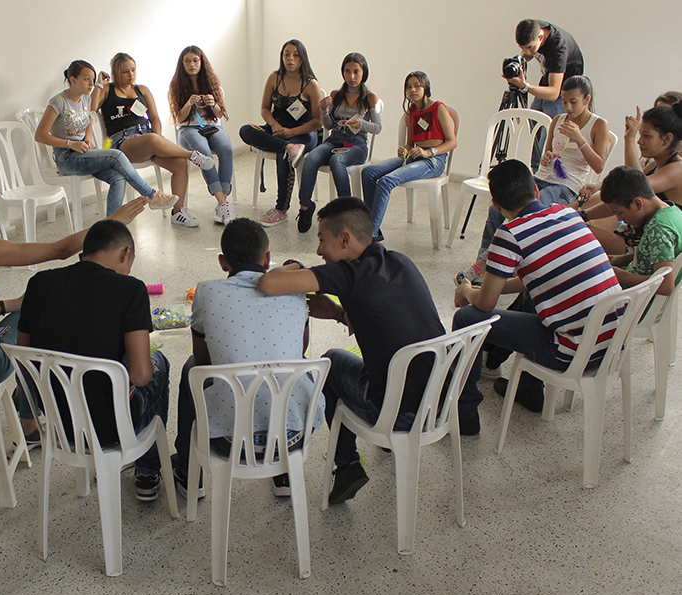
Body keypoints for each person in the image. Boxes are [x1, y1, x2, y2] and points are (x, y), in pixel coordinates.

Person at [0, 168, 147, 445]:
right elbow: (59, 251)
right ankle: (28, 419)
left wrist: (10, 306)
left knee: (26, 307)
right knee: (38, 316)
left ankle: (26, 401)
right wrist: (112, 222)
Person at [257, 197, 445, 505]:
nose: (318, 251)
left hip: (400, 414)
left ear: (345, 239)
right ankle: (377, 448)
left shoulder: (348, 274)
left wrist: (294, 266)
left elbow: (268, 283)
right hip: (438, 403)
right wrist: (336, 313)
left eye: (321, 239)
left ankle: (346, 464)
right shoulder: (401, 261)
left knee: (330, 361)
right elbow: (387, 319)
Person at [453, 160, 622, 420]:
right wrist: (490, 288)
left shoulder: (510, 234)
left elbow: (485, 305)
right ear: (536, 189)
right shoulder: (567, 214)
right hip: (611, 342)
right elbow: (543, 278)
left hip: (573, 353)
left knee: (466, 318)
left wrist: (467, 290)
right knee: (532, 293)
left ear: (496, 205)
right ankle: (528, 387)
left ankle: (463, 415)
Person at [16, 219, 169, 501]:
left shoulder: (38, 284)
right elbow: (140, 376)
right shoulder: (131, 290)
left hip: (58, 420)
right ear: (125, 254)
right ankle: (147, 472)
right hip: (110, 426)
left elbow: (26, 360)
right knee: (158, 362)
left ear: (81, 255)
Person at [173, 218, 321, 499]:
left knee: (191, 369)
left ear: (222, 262)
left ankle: (188, 472)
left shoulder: (206, 291)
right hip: (292, 439)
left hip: (230, 441)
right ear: (267, 259)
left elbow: (204, 361)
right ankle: (284, 474)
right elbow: (300, 350)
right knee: (295, 367)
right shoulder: (294, 288)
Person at [456, 76, 608, 284]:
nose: (568, 107)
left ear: (587, 99)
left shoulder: (598, 124)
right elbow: (546, 156)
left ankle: (489, 266)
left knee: (526, 209)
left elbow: (599, 165)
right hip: (542, 177)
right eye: (564, 101)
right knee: (498, 206)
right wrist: (547, 158)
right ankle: (485, 263)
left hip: (567, 186)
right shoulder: (558, 120)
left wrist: (580, 139)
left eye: (573, 101)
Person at [34, 59, 178, 217]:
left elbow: (89, 121)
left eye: (92, 79)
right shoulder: (58, 102)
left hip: (85, 153)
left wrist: (88, 138)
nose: (91, 83)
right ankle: (151, 195)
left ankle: (112, 226)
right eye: (86, 79)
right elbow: (40, 135)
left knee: (118, 178)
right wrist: (70, 144)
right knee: (116, 155)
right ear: (73, 80)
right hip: (66, 157)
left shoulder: (85, 99)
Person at [93, 52, 215, 228]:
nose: (131, 75)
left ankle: (178, 212)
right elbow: (91, 108)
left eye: (133, 70)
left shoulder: (142, 90)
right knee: (152, 139)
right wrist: (98, 84)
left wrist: (157, 140)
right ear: (116, 73)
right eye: (125, 71)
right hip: (123, 143)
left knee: (179, 163)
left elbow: (155, 118)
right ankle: (193, 155)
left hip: (148, 140)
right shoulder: (107, 90)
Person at [572, 100, 682, 255]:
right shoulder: (656, 164)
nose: (640, 141)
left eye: (647, 136)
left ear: (667, 139)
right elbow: (627, 184)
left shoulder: (677, 170)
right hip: (634, 235)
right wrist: (580, 211)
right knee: (578, 216)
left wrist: (629, 139)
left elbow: (635, 187)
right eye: (639, 134)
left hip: (647, 248)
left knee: (575, 230)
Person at [361, 71, 456, 241]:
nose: (412, 90)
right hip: (415, 156)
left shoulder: (438, 107)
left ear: (425, 87)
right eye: (409, 87)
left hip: (433, 160)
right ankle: (372, 226)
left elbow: (452, 142)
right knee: (368, 172)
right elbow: (410, 144)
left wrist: (429, 152)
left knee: (386, 181)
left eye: (417, 85)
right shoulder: (411, 112)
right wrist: (405, 150)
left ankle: (370, 235)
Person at [239, 39, 323, 227]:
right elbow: (264, 108)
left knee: (283, 156)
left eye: (295, 55)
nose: (290, 59)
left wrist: (292, 132)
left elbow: (318, 121)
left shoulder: (311, 84)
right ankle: (287, 147)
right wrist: (275, 126)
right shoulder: (274, 78)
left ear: (302, 58)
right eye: (287, 54)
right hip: (278, 128)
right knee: (246, 130)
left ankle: (281, 210)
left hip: (304, 132)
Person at [295, 52, 382, 233]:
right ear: (342, 72)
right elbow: (329, 124)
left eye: (356, 72)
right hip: (335, 139)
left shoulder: (370, 97)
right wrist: (324, 110)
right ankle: (305, 207)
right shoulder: (336, 95)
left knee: (337, 160)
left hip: (356, 144)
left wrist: (361, 124)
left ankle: (346, 212)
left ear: (364, 72)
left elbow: (377, 127)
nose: (351, 76)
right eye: (348, 71)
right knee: (311, 158)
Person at [169, 46, 235, 225]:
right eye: (187, 61)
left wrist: (213, 104)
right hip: (188, 129)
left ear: (202, 62)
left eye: (195, 60)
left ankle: (223, 201)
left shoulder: (213, 85)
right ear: (182, 64)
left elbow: (220, 114)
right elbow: (179, 119)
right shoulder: (176, 86)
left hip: (212, 127)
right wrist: (189, 103)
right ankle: (223, 204)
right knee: (204, 152)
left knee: (226, 148)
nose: (191, 64)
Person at [509, 19, 584, 171]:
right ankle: (533, 170)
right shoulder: (534, 27)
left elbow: (554, 92)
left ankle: (541, 175)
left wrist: (525, 86)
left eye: (530, 47)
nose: (528, 52)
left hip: (564, 92)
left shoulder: (558, 48)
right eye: (523, 48)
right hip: (547, 82)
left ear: (541, 38)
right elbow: (529, 52)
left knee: (547, 139)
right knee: (534, 127)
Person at [600, 166, 682, 296]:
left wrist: (621, 275)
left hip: (633, 303)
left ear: (638, 204)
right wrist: (621, 259)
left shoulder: (659, 229)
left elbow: (665, 286)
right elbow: (659, 254)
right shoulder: (672, 211)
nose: (620, 219)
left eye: (620, 213)